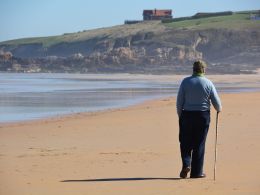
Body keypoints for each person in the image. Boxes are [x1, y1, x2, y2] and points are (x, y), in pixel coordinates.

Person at [176, 60, 222, 179]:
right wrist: (219, 109)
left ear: (193, 69)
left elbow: (179, 101)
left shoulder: (185, 82)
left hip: (187, 115)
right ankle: (197, 172)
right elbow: (217, 103)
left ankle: (186, 164)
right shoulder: (208, 83)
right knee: (199, 144)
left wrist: (180, 115)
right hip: (202, 116)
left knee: (185, 142)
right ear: (204, 70)